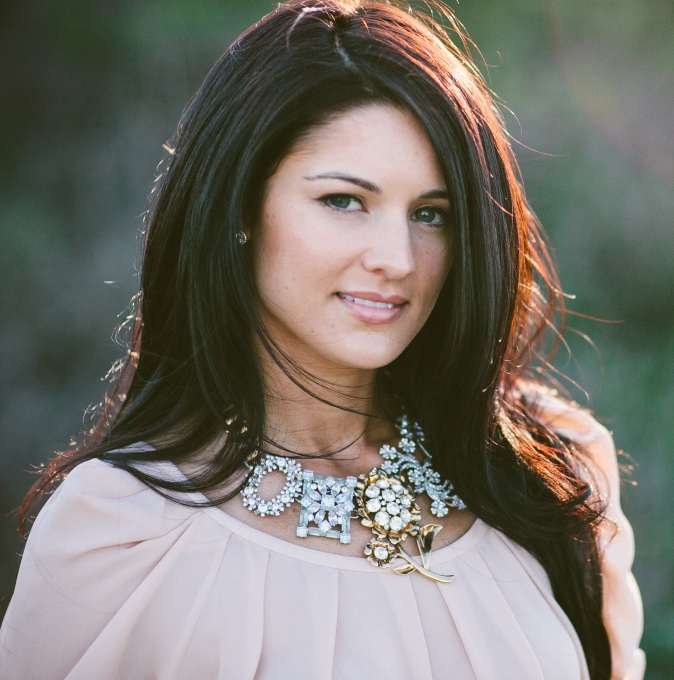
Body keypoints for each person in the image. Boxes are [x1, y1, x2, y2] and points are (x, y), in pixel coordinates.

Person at [0, 1, 644, 678]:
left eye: (431, 214)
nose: (397, 259)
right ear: (240, 208)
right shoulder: (120, 532)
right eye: (344, 201)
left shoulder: (554, 468)